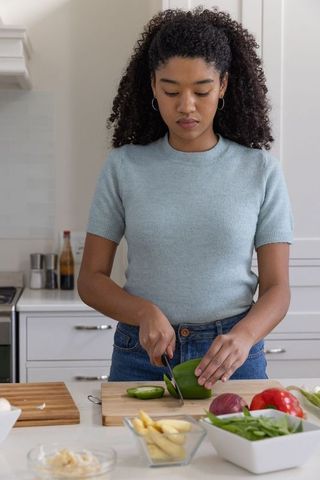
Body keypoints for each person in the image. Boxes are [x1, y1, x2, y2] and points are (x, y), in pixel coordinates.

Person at [77, 7, 293, 388]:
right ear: (153, 87)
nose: (186, 105)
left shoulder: (260, 171)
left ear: (223, 85)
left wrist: (244, 337)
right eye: (171, 90)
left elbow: (277, 288)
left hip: (232, 358)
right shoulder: (124, 167)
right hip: (142, 355)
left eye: (202, 90)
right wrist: (142, 312)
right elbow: (91, 280)